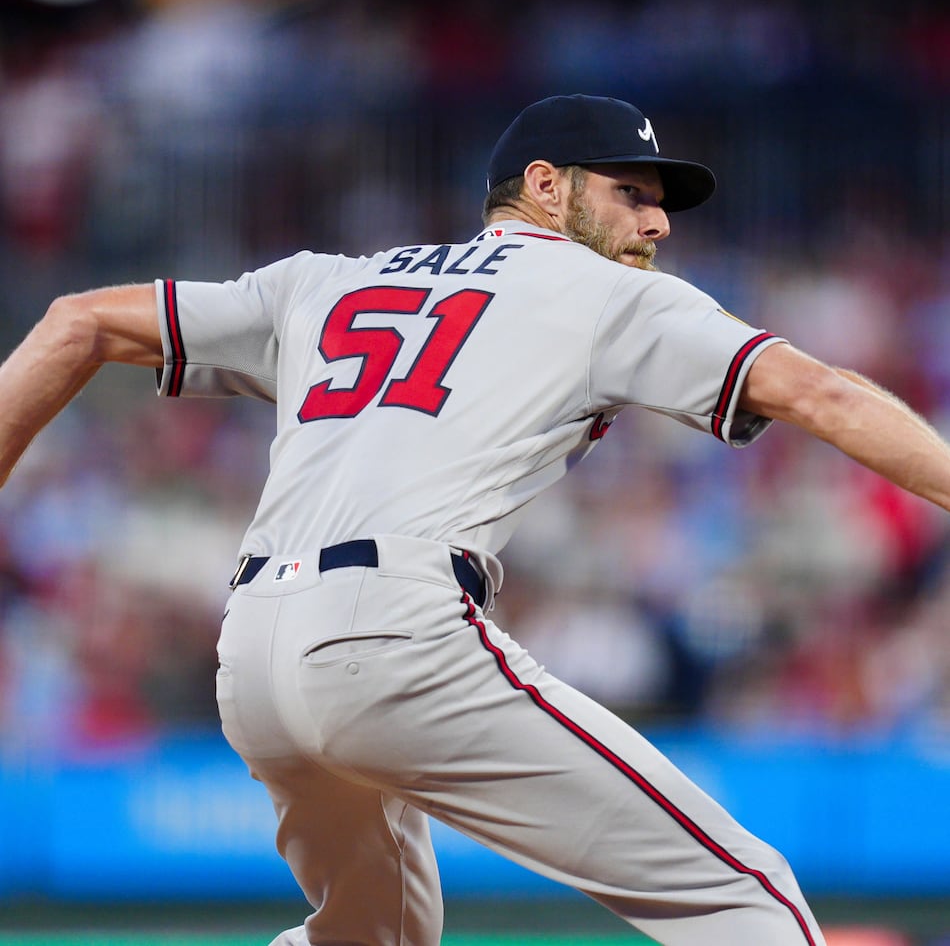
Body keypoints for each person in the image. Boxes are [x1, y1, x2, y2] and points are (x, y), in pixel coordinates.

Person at [1, 93, 948, 946]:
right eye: (630, 191)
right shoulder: (603, 290)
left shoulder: (321, 280)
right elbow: (819, 392)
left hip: (251, 655)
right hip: (396, 630)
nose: (658, 218)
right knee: (745, 896)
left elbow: (78, 323)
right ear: (544, 187)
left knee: (373, 934)